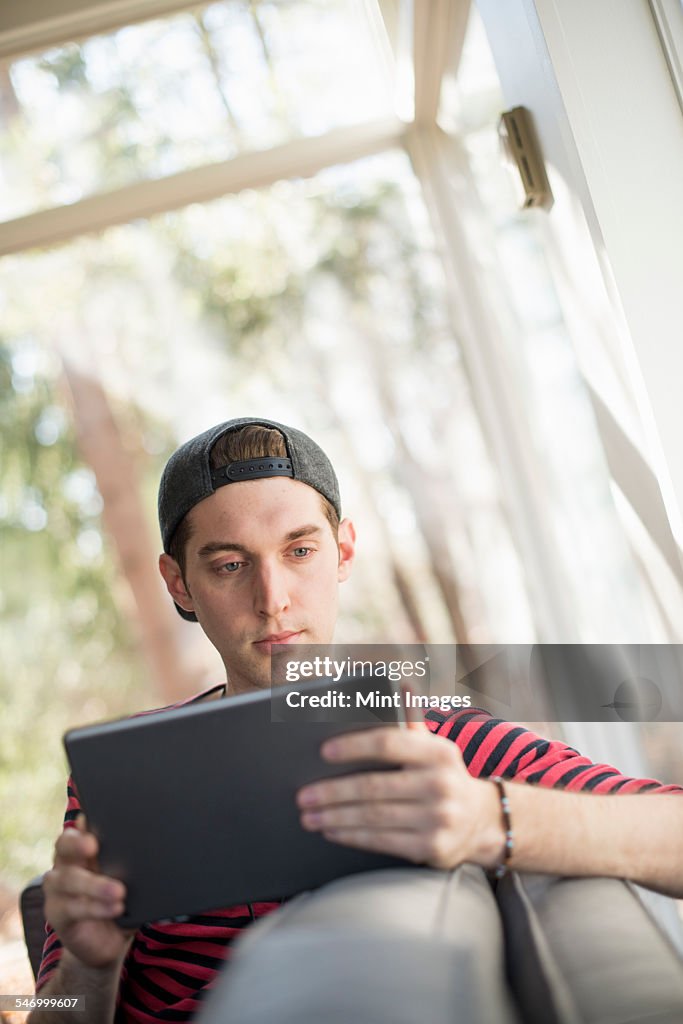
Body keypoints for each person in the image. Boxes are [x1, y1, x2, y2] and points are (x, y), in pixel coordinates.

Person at [30, 417, 683, 1024]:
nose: (273, 599)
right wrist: (90, 962)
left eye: (300, 552)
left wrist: (486, 818)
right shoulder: (126, 776)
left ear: (342, 554)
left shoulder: (435, 737)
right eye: (230, 565)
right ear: (179, 586)